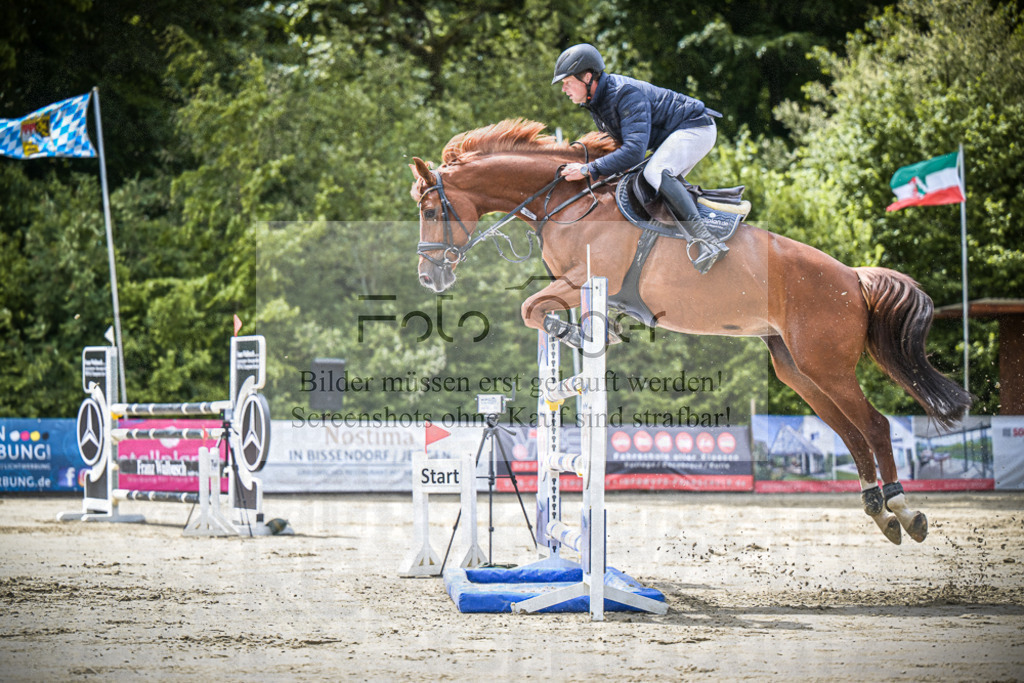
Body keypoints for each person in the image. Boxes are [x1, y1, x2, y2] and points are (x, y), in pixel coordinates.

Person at [552, 43, 727, 271]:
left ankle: (708, 241)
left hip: (695, 128)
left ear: (587, 77)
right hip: (672, 136)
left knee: (655, 173)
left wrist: (587, 169)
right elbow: (621, 150)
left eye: (567, 82)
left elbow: (634, 152)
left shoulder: (624, 94)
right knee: (642, 185)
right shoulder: (597, 103)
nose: (564, 89)